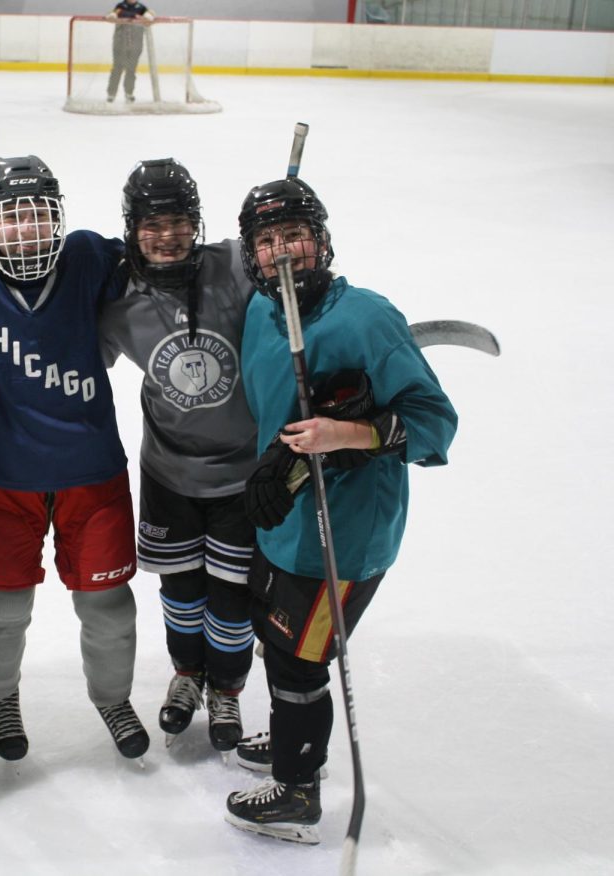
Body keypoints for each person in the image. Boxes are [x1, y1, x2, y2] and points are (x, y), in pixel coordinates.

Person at [225, 177, 457, 843]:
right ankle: (294, 735)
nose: (281, 253)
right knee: (279, 640)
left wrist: (349, 433)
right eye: (265, 242)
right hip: (288, 519)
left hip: (345, 538)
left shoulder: (366, 318)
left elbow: (435, 426)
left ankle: (298, 791)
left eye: (293, 235)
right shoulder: (262, 313)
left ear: (321, 239)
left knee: (300, 662)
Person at [0, 155, 147, 764]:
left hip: (93, 475)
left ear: (57, 217)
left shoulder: (86, 258)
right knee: (1, 611)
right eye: (9, 218)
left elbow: (164, 257)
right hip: (4, 480)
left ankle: (112, 698)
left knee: (108, 609)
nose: (24, 229)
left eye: (35, 215)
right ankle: (2, 698)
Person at [98, 159, 259, 755]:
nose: (167, 236)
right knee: (181, 587)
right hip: (168, 471)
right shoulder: (118, 298)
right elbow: (72, 359)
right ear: (132, 227)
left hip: (244, 471)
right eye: (152, 224)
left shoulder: (236, 265)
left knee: (232, 594)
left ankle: (228, 689)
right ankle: (188, 675)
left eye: (180, 222)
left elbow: (294, 282)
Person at [105, 1, 155, 103]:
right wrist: (112, 16)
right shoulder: (121, 6)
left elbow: (150, 16)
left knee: (131, 70)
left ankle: (129, 93)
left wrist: (148, 17)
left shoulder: (141, 7)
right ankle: (111, 94)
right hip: (120, 43)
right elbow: (112, 15)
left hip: (135, 45)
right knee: (117, 68)